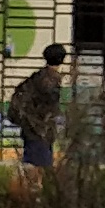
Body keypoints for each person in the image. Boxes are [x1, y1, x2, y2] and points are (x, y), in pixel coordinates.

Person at [8, 42, 69, 172]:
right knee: (38, 168)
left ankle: (30, 189)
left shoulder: (37, 76)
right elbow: (50, 107)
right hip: (41, 129)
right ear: (62, 59)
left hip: (31, 128)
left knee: (32, 164)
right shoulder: (51, 80)